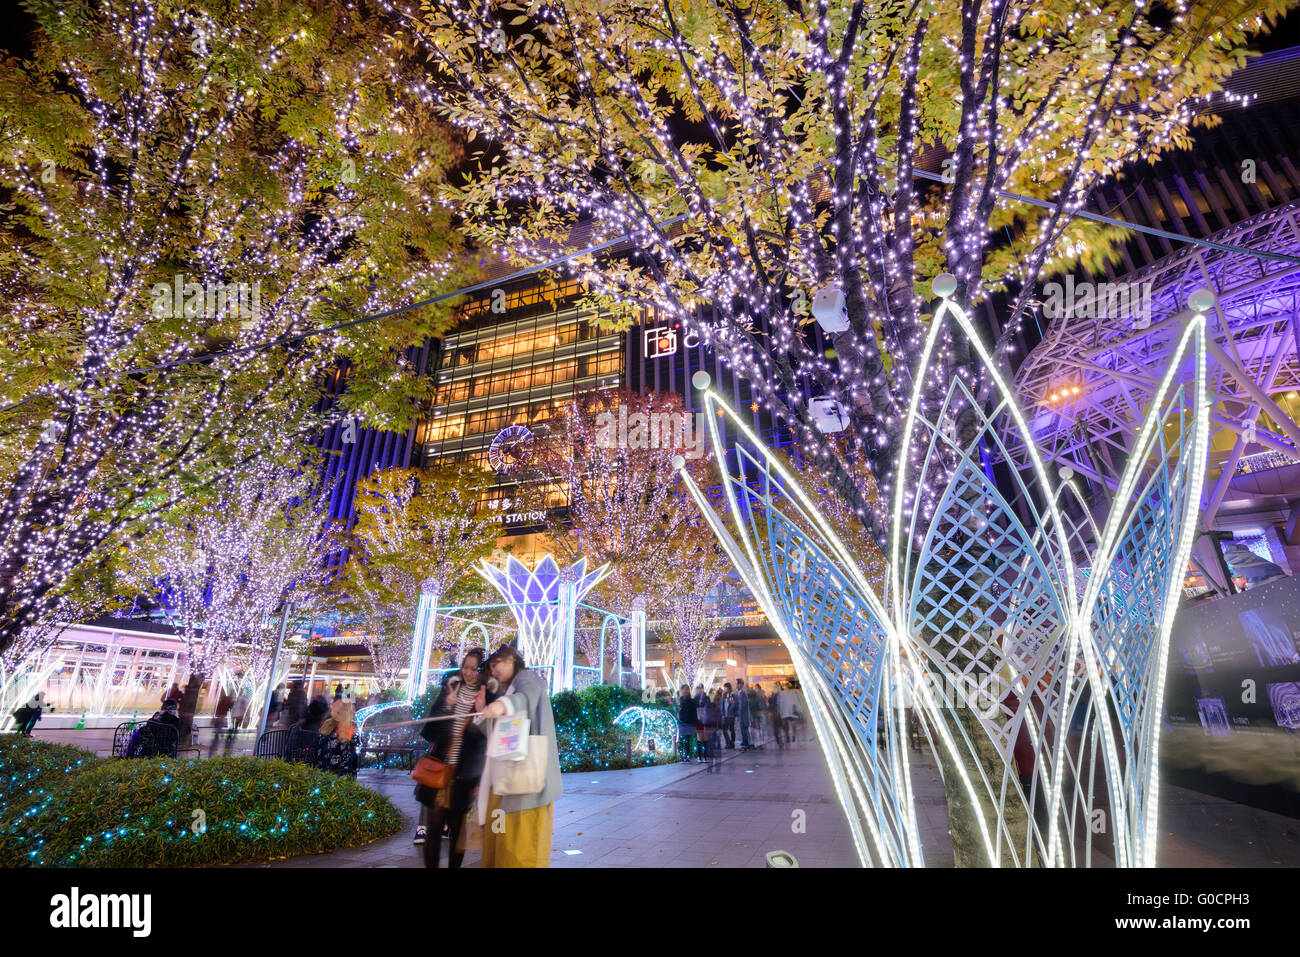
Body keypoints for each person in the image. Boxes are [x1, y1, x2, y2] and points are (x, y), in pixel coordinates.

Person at [475, 644, 562, 868]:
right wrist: (484, 711)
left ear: (512, 659)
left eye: (497, 664)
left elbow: (527, 698)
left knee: (520, 851)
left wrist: (503, 705)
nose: (493, 671)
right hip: (511, 782)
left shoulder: (527, 678)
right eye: (491, 667)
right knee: (508, 848)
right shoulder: (510, 689)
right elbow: (500, 736)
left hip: (525, 784)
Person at [413, 649, 489, 868]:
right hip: (439, 766)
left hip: (463, 772)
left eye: (474, 668)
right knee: (434, 826)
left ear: (481, 670)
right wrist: (446, 704)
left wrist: (481, 713)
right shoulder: (450, 687)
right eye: (466, 666)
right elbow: (428, 732)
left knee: (456, 828)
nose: (469, 672)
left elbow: (482, 742)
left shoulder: (484, 696)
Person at [677, 685, 698, 763]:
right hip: (682, 722)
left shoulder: (692, 701)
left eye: (687, 689)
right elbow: (679, 711)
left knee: (688, 741)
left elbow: (694, 712)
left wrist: (695, 722)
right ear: (681, 691)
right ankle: (681, 756)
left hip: (689, 723)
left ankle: (686, 756)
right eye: (684, 689)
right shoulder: (680, 700)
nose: (686, 691)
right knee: (682, 740)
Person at [735, 678, 753, 750]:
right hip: (743, 716)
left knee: (744, 731)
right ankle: (746, 744)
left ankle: (746, 745)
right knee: (744, 731)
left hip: (743, 716)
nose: (736, 685)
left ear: (740, 684)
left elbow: (742, 705)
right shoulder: (741, 693)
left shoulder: (742, 693)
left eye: (736, 684)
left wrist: (738, 714)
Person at [694, 683, 709, 763]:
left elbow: (709, 707)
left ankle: (705, 757)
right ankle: (700, 757)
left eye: (701, 688)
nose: (699, 690)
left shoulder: (706, 698)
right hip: (698, 721)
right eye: (698, 688)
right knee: (700, 739)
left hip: (705, 721)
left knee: (705, 739)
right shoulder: (695, 698)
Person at [768, 683, 785, 750]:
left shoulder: (779, 695)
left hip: (778, 714)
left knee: (778, 729)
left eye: (776, 687)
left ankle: (780, 742)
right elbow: (771, 704)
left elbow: (780, 704)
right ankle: (779, 742)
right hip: (774, 714)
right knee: (776, 730)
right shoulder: (773, 695)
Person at [721, 682, 737, 750]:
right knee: (724, 730)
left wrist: (730, 704)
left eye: (726, 687)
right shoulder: (723, 695)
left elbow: (734, 704)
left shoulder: (732, 695)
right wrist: (722, 714)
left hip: (731, 715)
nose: (725, 689)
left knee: (732, 730)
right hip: (725, 716)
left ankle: (732, 743)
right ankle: (728, 743)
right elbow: (721, 705)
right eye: (724, 688)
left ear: (729, 688)